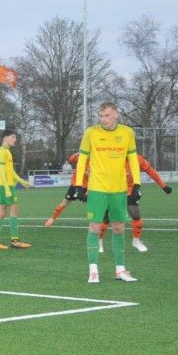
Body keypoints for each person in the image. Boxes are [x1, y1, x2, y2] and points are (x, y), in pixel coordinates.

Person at [69, 102, 140, 283]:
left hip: (119, 189)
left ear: (116, 114)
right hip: (97, 188)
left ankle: (120, 270)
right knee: (94, 227)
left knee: (119, 228)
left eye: (107, 115)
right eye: (101, 116)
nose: (103, 119)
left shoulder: (127, 133)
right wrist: (79, 185)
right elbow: (82, 158)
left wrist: (137, 184)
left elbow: (133, 159)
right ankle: (93, 271)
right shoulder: (91, 132)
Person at [96, 154, 173, 252]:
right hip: (112, 189)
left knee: (135, 215)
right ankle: (99, 243)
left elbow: (151, 172)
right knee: (105, 218)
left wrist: (164, 186)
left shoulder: (138, 158)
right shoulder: (111, 157)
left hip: (130, 189)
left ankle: (136, 241)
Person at [0, 129, 31, 250]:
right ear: (5, 138)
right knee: (14, 210)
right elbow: (1, 172)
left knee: (2, 212)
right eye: (13, 137)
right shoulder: (2, 152)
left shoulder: (6, 151)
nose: (15, 139)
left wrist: (22, 182)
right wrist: (7, 189)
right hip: (5, 186)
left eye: (15, 137)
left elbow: (10, 171)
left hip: (2, 185)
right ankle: (15, 240)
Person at [45, 152, 88, 228]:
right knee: (65, 202)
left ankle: (98, 222)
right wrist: (79, 152)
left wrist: (88, 191)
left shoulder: (94, 162)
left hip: (86, 187)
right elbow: (71, 160)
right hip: (75, 185)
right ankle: (52, 219)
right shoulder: (81, 158)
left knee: (93, 204)